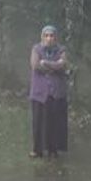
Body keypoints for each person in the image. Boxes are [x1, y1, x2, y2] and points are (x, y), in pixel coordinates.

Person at [29, 25, 69, 158]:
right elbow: (35, 65)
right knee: (38, 122)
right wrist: (54, 66)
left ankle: (53, 149)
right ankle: (37, 150)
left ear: (55, 37)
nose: (49, 38)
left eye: (51, 36)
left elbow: (63, 64)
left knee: (55, 122)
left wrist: (46, 63)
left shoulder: (61, 50)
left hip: (56, 92)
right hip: (40, 92)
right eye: (46, 35)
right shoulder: (36, 49)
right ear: (42, 37)